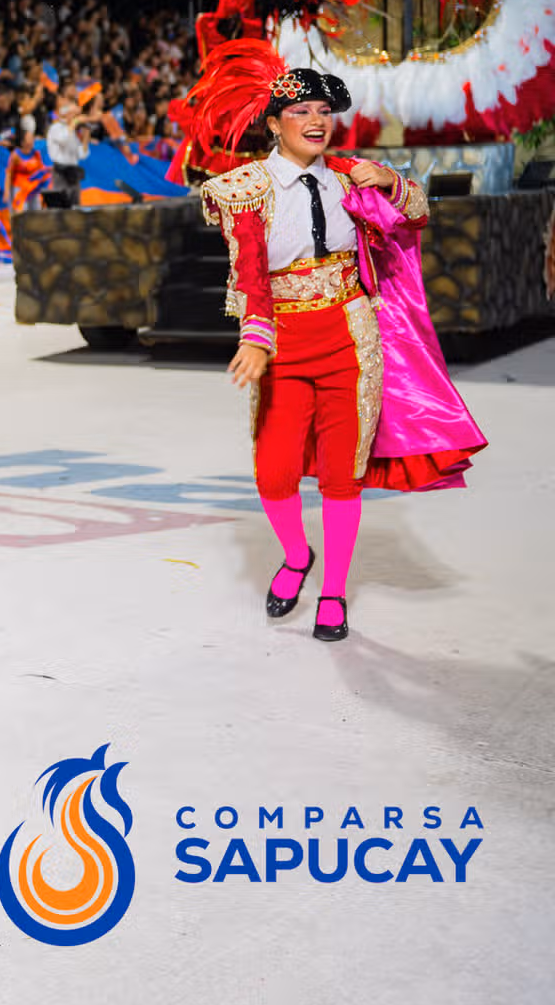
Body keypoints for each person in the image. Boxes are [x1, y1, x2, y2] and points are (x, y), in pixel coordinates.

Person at [188, 41, 487, 642]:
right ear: (274, 124)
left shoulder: (352, 174)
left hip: (351, 337)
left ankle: (333, 593)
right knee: (273, 473)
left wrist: (395, 183)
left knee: (341, 477)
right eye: (302, 111)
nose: (318, 120)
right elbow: (249, 271)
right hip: (284, 345)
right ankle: (298, 557)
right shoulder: (244, 188)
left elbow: (418, 214)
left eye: (325, 110)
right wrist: (256, 339)